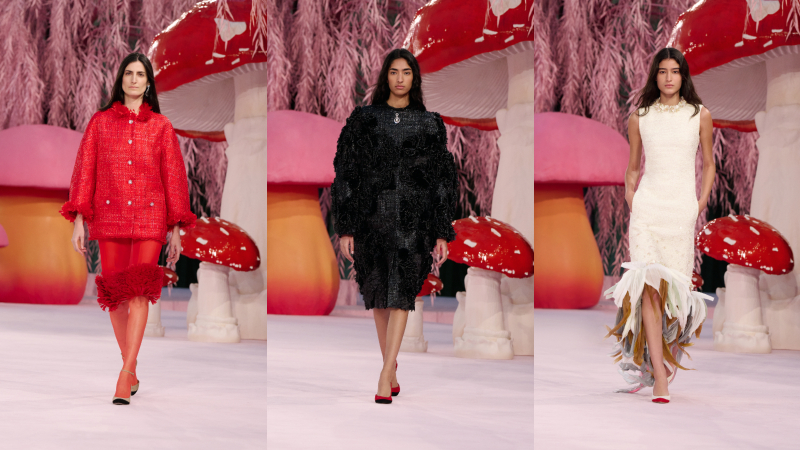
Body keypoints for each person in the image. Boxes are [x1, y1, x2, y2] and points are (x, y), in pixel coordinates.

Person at [60, 52, 196, 405]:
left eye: (140, 74)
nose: (134, 79)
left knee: (139, 293)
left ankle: (124, 376)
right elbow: (84, 171)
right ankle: (131, 366)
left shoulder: (161, 127)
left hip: (151, 217)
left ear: (148, 83)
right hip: (110, 215)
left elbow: (174, 179)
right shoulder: (100, 123)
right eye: (129, 73)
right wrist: (79, 220)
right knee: (116, 297)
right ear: (120, 79)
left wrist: (176, 229)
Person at [331, 48, 458, 405]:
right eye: (394, 72)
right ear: (385, 76)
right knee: (378, 295)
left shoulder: (430, 124)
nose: (400, 78)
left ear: (414, 78)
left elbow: (442, 180)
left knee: (401, 293)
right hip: (371, 218)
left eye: (406, 72)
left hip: (413, 220)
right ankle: (392, 366)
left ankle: (385, 372)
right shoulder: (364, 119)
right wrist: (346, 227)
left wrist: (441, 231)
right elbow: (347, 173)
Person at [605, 47, 715, 404]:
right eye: (663, 71)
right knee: (648, 289)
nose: (669, 78)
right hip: (648, 210)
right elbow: (634, 167)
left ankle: (663, 361)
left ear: (684, 76)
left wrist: (699, 203)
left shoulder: (699, 115)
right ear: (655, 76)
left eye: (675, 71)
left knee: (677, 294)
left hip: (681, 211)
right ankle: (660, 378)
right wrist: (632, 198)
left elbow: (709, 164)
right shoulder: (641, 116)